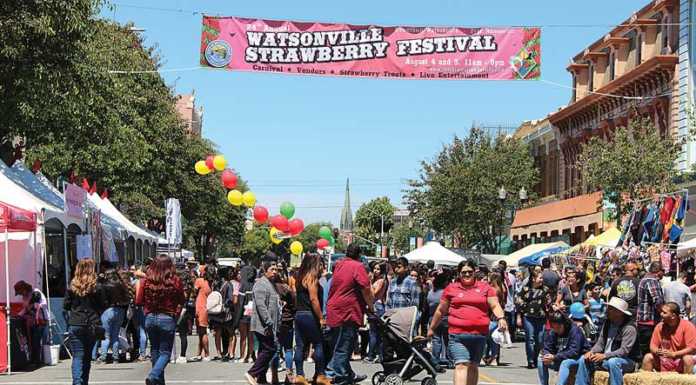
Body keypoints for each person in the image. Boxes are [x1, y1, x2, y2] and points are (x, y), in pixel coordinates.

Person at [428, 260, 507, 385]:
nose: (467, 274)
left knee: (473, 366)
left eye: (470, 272)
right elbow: (441, 310)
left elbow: (495, 304)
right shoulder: (451, 289)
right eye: (464, 272)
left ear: (474, 272)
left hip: (479, 335)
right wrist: (432, 328)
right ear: (459, 274)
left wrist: (501, 318)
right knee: (461, 364)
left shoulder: (485, 288)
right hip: (457, 335)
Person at [326, 243, 374, 385]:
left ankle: (348, 375)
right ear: (359, 255)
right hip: (347, 312)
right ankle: (341, 378)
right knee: (344, 347)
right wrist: (371, 306)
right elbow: (365, 288)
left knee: (339, 345)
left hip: (334, 310)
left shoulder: (339, 264)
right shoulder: (357, 266)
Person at [142, 254, 185, 385]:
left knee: (154, 349)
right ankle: (154, 375)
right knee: (165, 352)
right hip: (167, 317)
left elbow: (139, 299)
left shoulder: (147, 280)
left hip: (150, 316)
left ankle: (158, 381)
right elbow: (181, 299)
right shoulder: (175, 280)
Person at [574, 297, 639, 385]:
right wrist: (591, 352)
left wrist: (604, 355)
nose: (607, 310)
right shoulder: (607, 323)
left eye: (610, 309)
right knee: (583, 359)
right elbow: (600, 344)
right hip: (606, 359)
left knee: (613, 362)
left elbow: (624, 351)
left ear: (619, 312)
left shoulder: (629, 328)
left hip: (626, 361)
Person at [64, 259, 106, 385]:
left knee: (77, 356)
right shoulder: (96, 286)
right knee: (87, 357)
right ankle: (84, 381)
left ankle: (77, 382)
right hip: (92, 323)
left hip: (76, 322)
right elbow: (103, 304)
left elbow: (66, 305)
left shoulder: (72, 286)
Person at [292, 253, 329, 385]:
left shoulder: (299, 278)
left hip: (299, 314)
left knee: (300, 346)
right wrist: (321, 318)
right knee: (318, 344)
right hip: (310, 315)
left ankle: (299, 375)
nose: (322, 267)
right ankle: (320, 374)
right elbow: (314, 299)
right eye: (321, 264)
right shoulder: (312, 278)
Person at [246, 261, 280, 385]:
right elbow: (261, 306)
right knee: (270, 349)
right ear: (265, 270)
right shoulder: (261, 284)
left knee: (263, 350)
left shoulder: (270, 284)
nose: (275, 272)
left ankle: (261, 378)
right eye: (272, 269)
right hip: (263, 325)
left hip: (268, 324)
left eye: (276, 269)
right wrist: (268, 322)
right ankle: (252, 373)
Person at [641, 302, 696, 374]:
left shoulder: (688, 326)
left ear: (673, 316)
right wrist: (658, 351)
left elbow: (692, 348)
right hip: (664, 359)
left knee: (688, 359)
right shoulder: (659, 326)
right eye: (661, 312)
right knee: (648, 357)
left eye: (664, 313)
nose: (661, 314)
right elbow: (652, 346)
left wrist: (674, 354)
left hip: (680, 359)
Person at [537, 311, 589, 385]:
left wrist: (555, 357)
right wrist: (547, 355)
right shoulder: (553, 331)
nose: (556, 330)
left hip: (577, 357)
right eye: (554, 327)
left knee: (565, 362)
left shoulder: (575, 330)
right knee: (540, 359)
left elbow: (574, 351)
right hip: (559, 357)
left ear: (564, 324)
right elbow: (546, 347)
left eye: (558, 327)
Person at [515, 270, 552, 369]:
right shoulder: (525, 289)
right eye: (540, 278)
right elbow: (518, 302)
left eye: (542, 278)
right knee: (530, 339)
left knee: (540, 340)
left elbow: (549, 302)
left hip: (541, 318)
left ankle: (536, 358)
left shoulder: (545, 289)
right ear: (533, 279)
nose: (541, 280)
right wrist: (519, 316)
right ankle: (530, 361)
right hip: (528, 318)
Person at [94, 265, 130, 363]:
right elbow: (127, 298)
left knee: (106, 336)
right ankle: (115, 357)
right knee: (115, 336)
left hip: (108, 310)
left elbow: (101, 298)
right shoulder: (121, 285)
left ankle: (103, 357)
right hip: (120, 311)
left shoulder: (105, 285)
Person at [14, 280, 49, 367]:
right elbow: (26, 309)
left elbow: (43, 304)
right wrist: (18, 315)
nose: (20, 294)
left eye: (20, 292)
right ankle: (33, 360)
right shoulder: (25, 297)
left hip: (40, 320)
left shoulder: (36, 292)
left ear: (24, 289)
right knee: (32, 341)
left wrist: (34, 306)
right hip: (32, 321)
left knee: (36, 340)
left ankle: (37, 361)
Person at [636, 261, 665, 356]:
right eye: (663, 270)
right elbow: (658, 301)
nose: (664, 273)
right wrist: (665, 314)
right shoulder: (652, 281)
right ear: (657, 270)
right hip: (649, 321)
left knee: (644, 348)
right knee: (650, 349)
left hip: (643, 320)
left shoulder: (644, 279)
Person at [210, 268, 236, 361]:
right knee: (231, 333)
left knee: (218, 332)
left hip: (217, 311)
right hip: (226, 311)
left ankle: (218, 353)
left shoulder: (216, 284)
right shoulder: (229, 284)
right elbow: (230, 299)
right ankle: (231, 352)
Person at [428, 270, 451, 369]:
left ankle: (435, 360)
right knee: (448, 340)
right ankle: (450, 360)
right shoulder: (446, 293)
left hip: (433, 317)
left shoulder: (431, 293)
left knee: (436, 340)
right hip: (446, 318)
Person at [365, 262, 387, 364]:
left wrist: (369, 284)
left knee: (374, 332)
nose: (375, 271)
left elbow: (374, 294)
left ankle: (371, 355)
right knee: (374, 332)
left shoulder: (381, 281)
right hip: (374, 306)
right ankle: (378, 354)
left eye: (378, 269)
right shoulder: (376, 280)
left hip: (377, 307)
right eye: (374, 269)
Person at [483, 272, 506, 366]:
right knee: (495, 340)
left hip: (490, 316)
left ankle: (483, 357)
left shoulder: (492, 290)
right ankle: (494, 359)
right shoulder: (501, 290)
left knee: (484, 338)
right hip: (498, 317)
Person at [237, 265, 257, 363]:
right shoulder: (256, 285)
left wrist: (237, 317)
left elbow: (240, 303)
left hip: (243, 315)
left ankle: (242, 356)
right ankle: (249, 356)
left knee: (243, 336)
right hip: (254, 314)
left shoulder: (243, 285)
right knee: (251, 337)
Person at [192, 266, 212, 362]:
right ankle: (199, 353)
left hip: (200, 308)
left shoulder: (199, 281)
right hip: (205, 308)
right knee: (201, 332)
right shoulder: (210, 282)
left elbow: (193, 292)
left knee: (202, 332)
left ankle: (207, 354)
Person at [498, 261, 518, 343]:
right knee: (507, 322)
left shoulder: (511, 277)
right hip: (505, 304)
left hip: (509, 303)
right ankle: (507, 338)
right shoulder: (498, 277)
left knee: (510, 323)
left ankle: (509, 338)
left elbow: (515, 290)